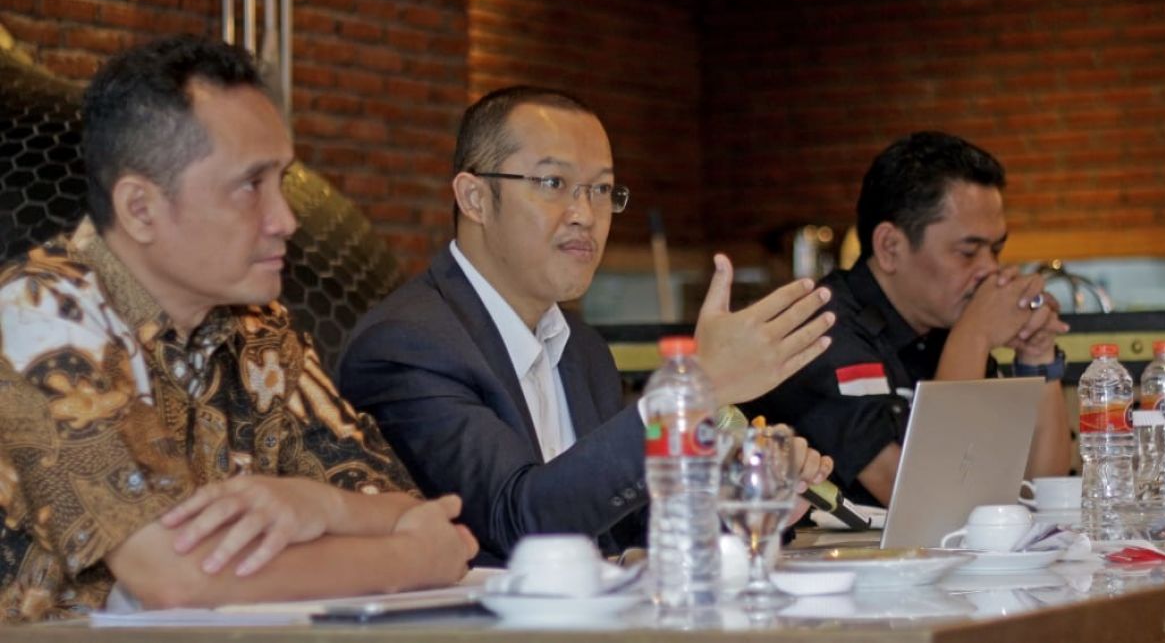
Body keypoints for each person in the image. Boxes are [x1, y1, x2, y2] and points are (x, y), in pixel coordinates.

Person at [0, 35, 477, 623]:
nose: (286, 219)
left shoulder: (260, 331)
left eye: (282, 180)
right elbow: (174, 578)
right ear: (140, 208)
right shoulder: (37, 310)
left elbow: (416, 514)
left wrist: (317, 504)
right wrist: (409, 561)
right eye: (251, 185)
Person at [337, 86, 836, 564]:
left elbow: (622, 522)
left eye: (601, 189)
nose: (585, 215)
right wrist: (693, 391)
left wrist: (754, 500)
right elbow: (520, 523)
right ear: (474, 198)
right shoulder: (408, 345)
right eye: (553, 184)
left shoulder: (582, 347)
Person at [744, 131, 1073, 507]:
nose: (990, 270)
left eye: (996, 250)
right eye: (968, 253)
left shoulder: (941, 326)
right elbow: (928, 504)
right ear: (890, 247)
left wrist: (1039, 356)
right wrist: (974, 335)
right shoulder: (821, 333)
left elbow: (1042, 494)